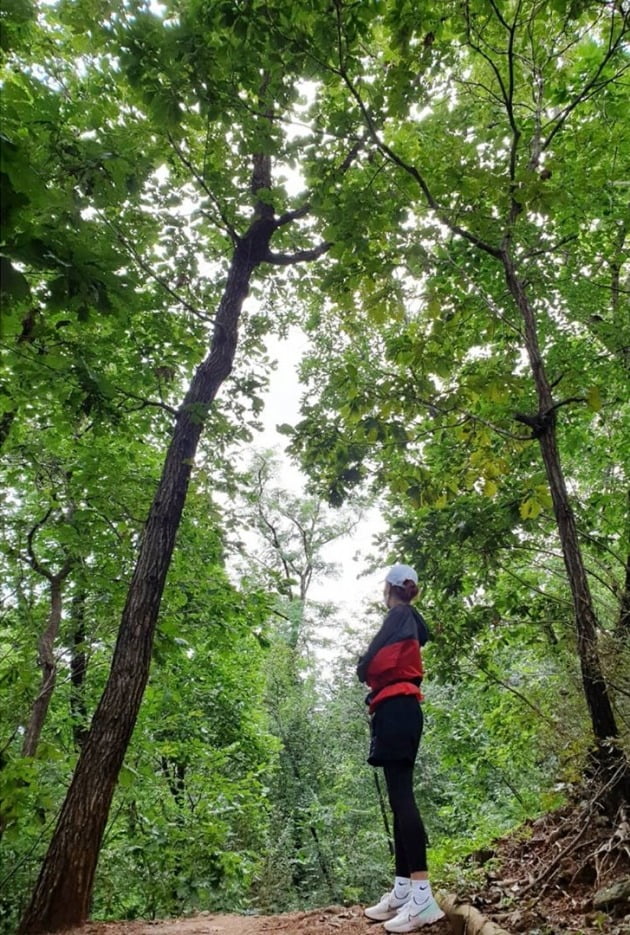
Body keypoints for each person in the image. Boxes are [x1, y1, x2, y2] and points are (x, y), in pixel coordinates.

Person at [357, 563, 444, 932]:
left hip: (397, 710)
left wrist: (363, 669)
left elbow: (368, 663)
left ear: (389, 589)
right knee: (398, 798)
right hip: (400, 709)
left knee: (403, 799)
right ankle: (404, 889)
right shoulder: (409, 618)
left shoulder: (399, 615)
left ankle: (423, 897)